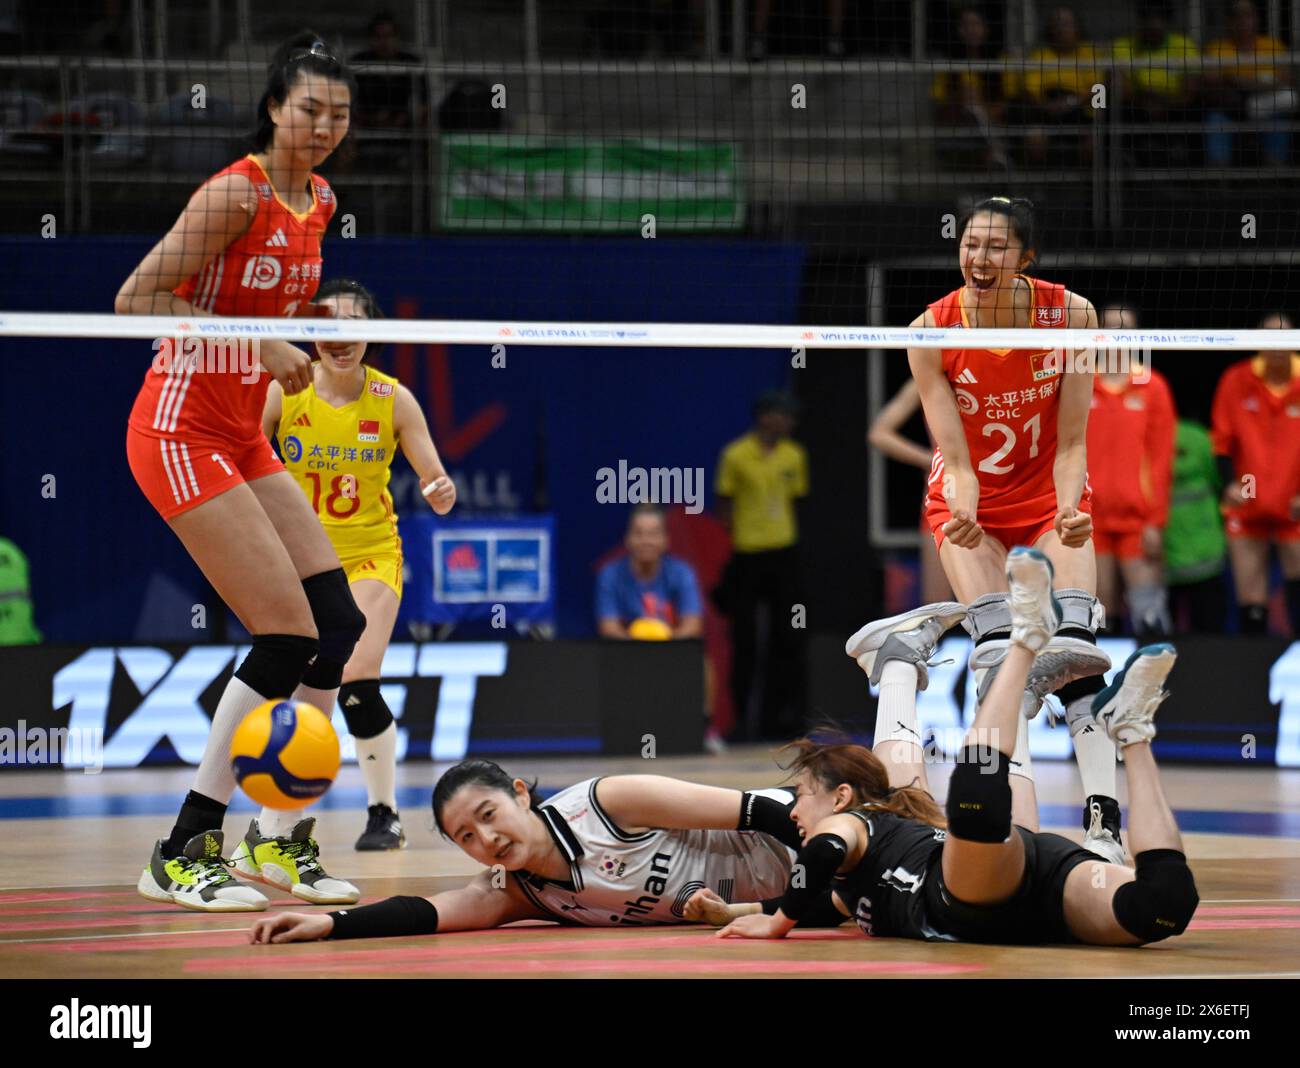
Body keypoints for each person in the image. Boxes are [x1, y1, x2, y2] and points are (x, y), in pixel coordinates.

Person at [120, 34, 363, 911]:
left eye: (339, 113)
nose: (325, 126)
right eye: (309, 110)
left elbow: (257, 305)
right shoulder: (234, 192)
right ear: (273, 109)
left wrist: (283, 348)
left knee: (332, 622)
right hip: (179, 429)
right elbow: (138, 298)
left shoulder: (323, 199)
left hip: (240, 433)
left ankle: (276, 837)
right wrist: (254, 338)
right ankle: (183, 847)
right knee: (286, 636)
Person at [696, 550, 1200, 948]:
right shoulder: (854, 878)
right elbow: (819, 903)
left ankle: (1025, 638)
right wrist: (736, 912)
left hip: (966, 891)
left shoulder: (847, 828)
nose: (794, 808)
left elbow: (822, 856)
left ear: (842, 796)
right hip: (1035, 897)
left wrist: (776, 924)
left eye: (802, 793)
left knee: (975, 805)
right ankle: (1132, 734)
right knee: (1162, 906)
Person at [907, 195, 1123, 864]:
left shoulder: (1072, 315)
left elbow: (1070, 442)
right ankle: (1014, 825)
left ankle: (1104, 824)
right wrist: (965, 507)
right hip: (969, 498)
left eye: (996, 246)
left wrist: (1069, 510)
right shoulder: (931, 331)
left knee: (1078, 648)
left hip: (1044, 490)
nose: (980, 257)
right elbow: (957, 457)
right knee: (1001, 651)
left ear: (1026, 257)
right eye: (971, 243)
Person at [262, 279, 455, 851]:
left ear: (372, 334)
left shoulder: (394, 399)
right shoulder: (283, 391)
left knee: (354, 676)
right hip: (300, 560)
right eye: (327, 325)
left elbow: (435, 479)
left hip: (370, 554)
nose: (339, 337)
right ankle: (281, 820)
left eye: (352, 325)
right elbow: (240, 455)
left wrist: (440, 491)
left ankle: (383, 812)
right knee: (304, 690)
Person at [247, 762, 804, 942]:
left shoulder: (608, 802)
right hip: (797, 901)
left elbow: (761, 809)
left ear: (519, 793)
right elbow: (424, 912)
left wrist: (835, 860)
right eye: (467, 837)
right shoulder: (517, 892)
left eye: (488, 816)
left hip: (806, 834)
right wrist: (329, 922)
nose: (486, 840)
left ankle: (897, 669)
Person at [715, 389, 809, 741]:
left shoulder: (794, 455)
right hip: (748, 555)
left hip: (784, 554)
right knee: (746, 640)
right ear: (766, 417)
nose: (788, 423)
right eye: (782, 415)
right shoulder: (736, 455)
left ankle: (783, 720)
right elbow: (724, 503)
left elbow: (797, 498)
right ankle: (742, 723)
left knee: (788, 638)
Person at [1087, 305, 1176, 639]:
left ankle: (1156, 689)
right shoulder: (1080, 383)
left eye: (1123, 328)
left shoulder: (1153, 387)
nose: (1115, 334)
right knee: (1098, 613)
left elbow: (1161, 459)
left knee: (1149, 612)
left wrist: (1156, 522)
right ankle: (1099, 691)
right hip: (1090, 520)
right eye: (1108, 327)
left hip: (1138, 522)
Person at [1211, 313, 1300, 635]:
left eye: (1285, 339)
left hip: (1295, 501)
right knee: (1251, 597)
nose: (1277, 346)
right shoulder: (1236, 379)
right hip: (1249, 494)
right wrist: (1230, 483)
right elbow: (1222, 442)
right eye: (1270, 338)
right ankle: (1254, 671)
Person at [867, 377, 955, 604]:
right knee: (938, 608)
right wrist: (934, 460)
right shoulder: (927, 373)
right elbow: (879, 433)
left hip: (995, 493)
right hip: (944, 497)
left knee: (999, 602)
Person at [1203, 0, 1293, 167]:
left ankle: (1274, 178)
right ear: (1228, 21)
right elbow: (1211, 79)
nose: (1242, 21)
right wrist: (1258, 83)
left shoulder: (1272, 45)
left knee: (1278, 123)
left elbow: (1285, 80)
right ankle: (1218, 182)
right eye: (1236, 16)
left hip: (1268, 108)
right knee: (1216, 121)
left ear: (1256, 19)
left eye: (1247, 15)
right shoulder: (1217, 47)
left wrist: (1236, 80)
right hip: (1230, 109)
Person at [1009, 6, 1100, 167]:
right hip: (1046, 112)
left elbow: (1097, 90)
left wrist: (1071, 102)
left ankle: (1087, 188)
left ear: (1077, 28)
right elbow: (1030, 91)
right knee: (1034, 138)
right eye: (1056, 24)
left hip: (1079, 112)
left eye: (1066, 24)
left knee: (1094, 141)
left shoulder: (1089, 53)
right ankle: (1038, 187)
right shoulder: (1039, 55)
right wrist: (1047, 106)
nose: (1061, 29)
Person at [1112, 1, 1199, 167]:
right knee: (1106, 105)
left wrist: (1164, 103)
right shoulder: (1122, 46)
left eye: (1158, 19)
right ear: (1140, 21)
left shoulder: (1184, 46)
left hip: (1175, 109)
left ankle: (1191, 169)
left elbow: (1190, 92)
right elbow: (1119, 90)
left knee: (1198, 108)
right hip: (1137, 108)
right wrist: (1143, 100)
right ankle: (1125, 162)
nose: (1153, 25)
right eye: (1148, 19)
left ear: (1167, 22)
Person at [596, 504, 703, 639]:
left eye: (653, 534)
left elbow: (693, 625)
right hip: (625, 653)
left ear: (666, 540)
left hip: (671, 652)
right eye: (639, 534)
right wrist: (641, 649)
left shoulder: (682, 573)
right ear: (628, 539)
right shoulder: (610, 575)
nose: (646, 541)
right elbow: (608, 627)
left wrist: (661, 646)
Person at [1165, 419, 1229, 633]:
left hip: (1167, 552)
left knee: (1163, 639)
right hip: (1199, 552)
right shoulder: (1201, 437)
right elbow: (1222, 481)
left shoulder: (1147, 431)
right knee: (1209, 631)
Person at [930, 7, 1011, 169]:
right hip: (959, 123)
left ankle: (991, 149)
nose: (971, 30)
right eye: (966, 25)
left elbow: (1008, 101)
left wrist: (983, 110)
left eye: (976, 24)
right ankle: (995, 150)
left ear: (986, 29)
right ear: (959, 31)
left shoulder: (1001, 60)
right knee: (968, 92)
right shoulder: (949, 63)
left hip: (994, 120)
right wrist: (965, 98)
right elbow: (940, 103)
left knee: (974, 99)